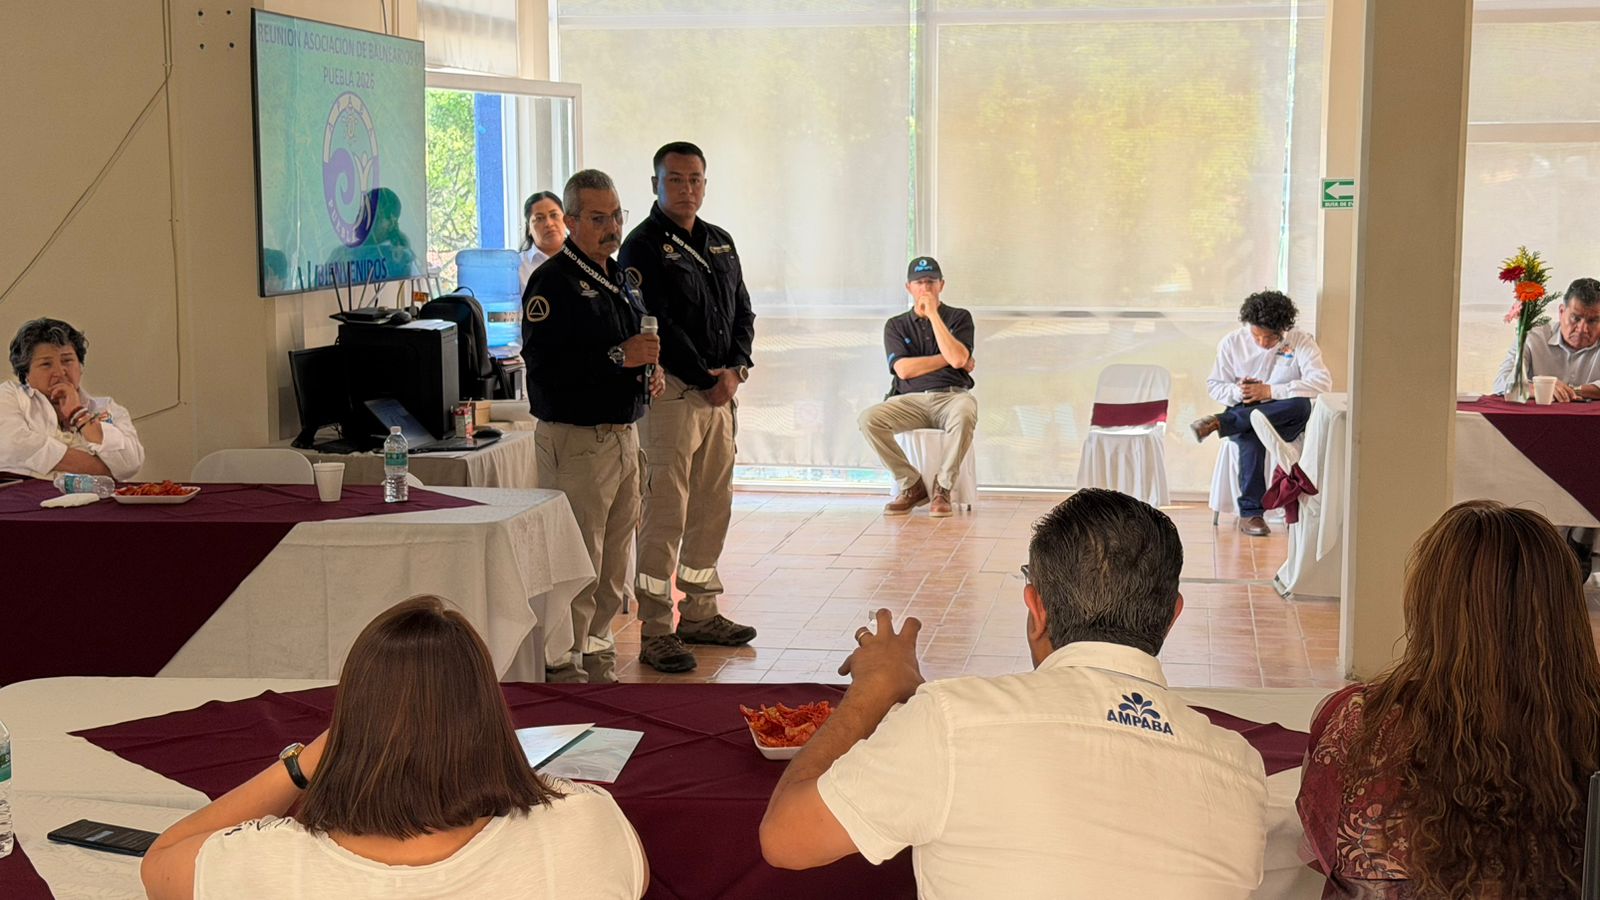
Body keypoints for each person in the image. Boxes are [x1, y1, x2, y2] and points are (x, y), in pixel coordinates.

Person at [759, 489, 1269, 897]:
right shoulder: (1241, 770)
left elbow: (786, 838)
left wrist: (873, 690)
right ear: (1173, 615)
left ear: (1036, 609)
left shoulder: (953, 722)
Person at [139, 595, 649, 899]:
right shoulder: (589, 828)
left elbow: (159, 860)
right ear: (488, 720)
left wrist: (302, 764)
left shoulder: (265, 863)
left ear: (349, 733)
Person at [1296, 501, 1600, 898]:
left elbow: (1319, 850)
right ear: (1567, 611)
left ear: (1428, 606)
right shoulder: (1587, 727)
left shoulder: (1356, 726)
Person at [617, 141, 758, 674]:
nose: (687, 189)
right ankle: (656, 628)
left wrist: (735, 370)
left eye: (695, 179)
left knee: (711, 506)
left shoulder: (720, 241)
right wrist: (706, 378)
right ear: (655, 184)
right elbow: (657, 324)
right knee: (664, 512)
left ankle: (700, 613)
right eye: (675, 179)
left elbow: (742, 311)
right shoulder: (642, 247)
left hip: (721, 392)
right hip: (674, 394)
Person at [521, 169, 664, 684]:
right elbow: (544, 367)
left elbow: (630, 347)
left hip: (623, 435)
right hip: (577, 439)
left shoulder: (620, 277)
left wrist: (650, 370)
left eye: (617, 216)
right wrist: (619, 356)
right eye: (599, 219)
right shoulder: (553, 281)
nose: (612, 228)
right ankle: (565, 663)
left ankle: (598, 653)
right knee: (577, 560)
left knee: (613, 562)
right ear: (572, 221)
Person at [1191, 290, 1331, 536]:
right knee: (1252, 435)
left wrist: (1270, 390)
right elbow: (1215, 385)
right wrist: (1240, 391)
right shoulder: (1232, 343)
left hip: (1285, 414)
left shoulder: (1300, 341)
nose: (1263, 343)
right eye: (1257, 336)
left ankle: (1221, 422)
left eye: (1270, 337)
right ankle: (1251, 514)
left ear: (1283, 329)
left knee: (1301, 405)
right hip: (1245, 408)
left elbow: (1322, 383)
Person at [857, 256, 977, 518]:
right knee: (869, 419)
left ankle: (942, 488)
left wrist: (933, 315)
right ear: (908, 287)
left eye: (931, 282)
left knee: (967, 410)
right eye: (919, 282)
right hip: (908, 400)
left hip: (951, 397)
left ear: (941, 285)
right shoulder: (896, 325)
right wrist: (950, 358)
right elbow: (904, 369)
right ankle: (911, 485)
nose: (925, 288)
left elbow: (958, 360)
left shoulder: (959, 317)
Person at [0, 317, 144, 480]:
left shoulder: (106, 407)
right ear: (26, 373)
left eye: (67, 360)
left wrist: (79, 415)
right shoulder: (9, 396)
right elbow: (13, 446)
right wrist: (107, 470)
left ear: (80, 366)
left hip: (96, 495)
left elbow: (130, 464)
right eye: (46, 364)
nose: (60, 372)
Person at [1492, 276, 1600, 400]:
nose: (1582, 329)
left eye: (1593, 321)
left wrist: (1571, 391)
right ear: (1561, 312)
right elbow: (1501, 382)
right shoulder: (1532, 336)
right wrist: (1538, 388)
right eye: (1575, 318)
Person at [518, 190, 568, 295]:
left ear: (566, 220)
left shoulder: (584, 258)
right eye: (539, 218)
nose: (549, 223)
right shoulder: (518, 267)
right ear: (529, 228)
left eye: (554, 215)